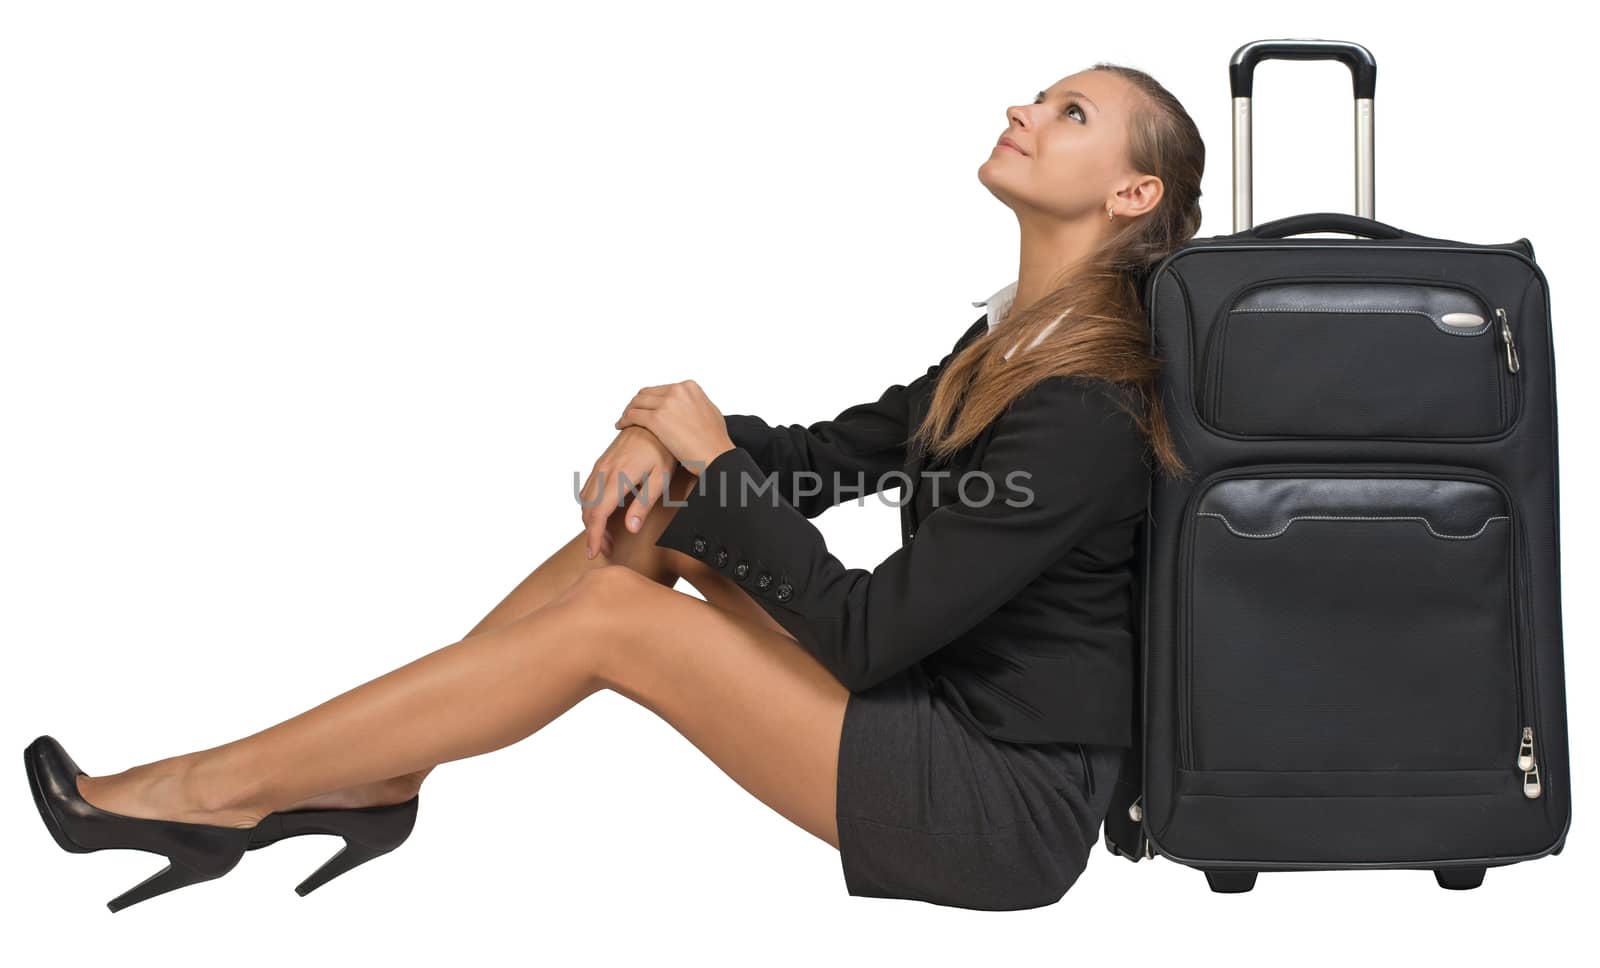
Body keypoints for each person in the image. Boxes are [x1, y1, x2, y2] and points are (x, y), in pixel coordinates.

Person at [25, 62, 1203, 913]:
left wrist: (719, 463)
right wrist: (678, 443)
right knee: (657, 525)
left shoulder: (1089, 400)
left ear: (1131, 195)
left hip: (993, 801)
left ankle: (215, 787)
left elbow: (869, 635)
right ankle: (376, 773)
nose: (1021, 108)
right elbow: (829, 455)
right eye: (1042, 95)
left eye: (1070, 112)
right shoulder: (1010, 347)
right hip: (938, 716)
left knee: (613, 620)